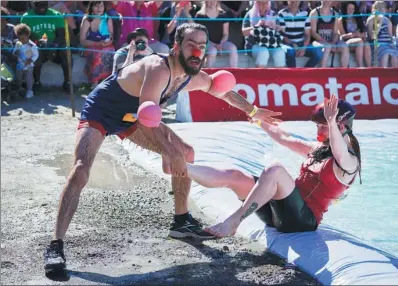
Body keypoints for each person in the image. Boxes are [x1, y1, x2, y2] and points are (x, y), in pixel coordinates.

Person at [43, 23, 282, 271]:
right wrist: (169, 152)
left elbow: (221, 91)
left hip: (135, 116)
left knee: (186, 153)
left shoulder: (189, 76)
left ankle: (181, 222)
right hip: (103, 110)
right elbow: (147, 116)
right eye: (191, 45)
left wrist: (253, 111)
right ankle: (55, 245)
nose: (197, 52)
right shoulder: (158, 69)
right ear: (176, 47)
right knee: (81, 170)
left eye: (202, 46)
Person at [185, 95, 361, 237]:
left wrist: (331, 123)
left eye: (323, 126)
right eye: (318, 126)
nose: (318, 131)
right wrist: (260, 121)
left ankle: (233, 222)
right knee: (235, 176)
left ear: (341, 126)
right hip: (280, 212)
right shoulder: (318, 149)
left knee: (275, 170)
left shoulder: (350, 162)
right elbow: (285, 138)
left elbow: (340, 153)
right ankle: (182, 169)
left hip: (302, 221)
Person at [20, 1, 70, 92]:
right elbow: (25, 37)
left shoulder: (56, 15)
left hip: (54, 46)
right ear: (33, 5)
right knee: (34, 51)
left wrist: (54, 46)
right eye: (38, 4)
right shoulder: (26, 17)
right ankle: (37, 83)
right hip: (37, 45)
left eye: (44, 4)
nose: (42, 7)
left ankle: (68, 82)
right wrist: (36, 42)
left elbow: (61, 35)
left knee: (66, 51)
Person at [79, 1, 115, 89]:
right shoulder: (87, 19)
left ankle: (106, 80)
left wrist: (108, 41)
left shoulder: (107, 18)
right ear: (91, 7)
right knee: (97, 53)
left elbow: (111, 35)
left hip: (105, 45)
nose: (99, 8)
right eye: (96, 6)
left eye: (101, 6)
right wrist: (97, 43)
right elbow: (82, 41)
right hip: (90, 45)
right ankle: (94, 82)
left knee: (111, 51)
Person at [310, 1, 349, 68]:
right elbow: (313, 33)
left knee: (344, 46)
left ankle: (344, 72)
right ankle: (322, 72)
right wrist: (327, 43)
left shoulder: (335, 14)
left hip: (331, 41)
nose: (327, 1)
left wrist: (333, 43)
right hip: (317, 41)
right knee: (327, 47)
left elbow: (335, 33)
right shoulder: (314, 13)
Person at [337, 1, 372, 67]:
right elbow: (342, 36)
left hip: (358, 40)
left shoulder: (358, 19)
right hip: (347, 42)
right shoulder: (340, 20)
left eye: (352, 9)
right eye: (349, 8)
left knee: (366, 44)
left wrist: (359, 35)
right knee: (359, 41)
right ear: (345, 9)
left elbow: (364, 34)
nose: (351, 11)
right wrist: (353, 35)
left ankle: (369, 67)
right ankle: (360, 66)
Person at [366, 1, 398, 68]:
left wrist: (393, 42)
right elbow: (371, 37)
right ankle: (383, 74)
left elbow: (390, 35)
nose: (381, 10)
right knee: (385, 53)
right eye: (379, 8)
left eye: (382, 8)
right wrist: (379, 24)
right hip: (378, 44)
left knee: (394, 55)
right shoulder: (371, 19)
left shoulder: (387, 20)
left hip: (388, 44)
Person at [12, 24, 39, 99]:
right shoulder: (18, 44)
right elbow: (14, 52)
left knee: (29, 78)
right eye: (20, 39)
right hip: (19, 65)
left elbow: (36, 55)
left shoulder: (32, 45)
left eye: (23, 39)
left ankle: (30, 91)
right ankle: (19, 89)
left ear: (28, 36)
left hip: (29, 66)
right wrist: (15, 52)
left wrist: (31, 60)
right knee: (18, 78)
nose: (22, 41)